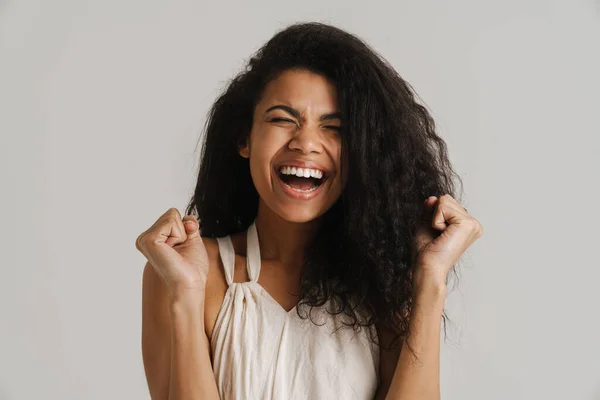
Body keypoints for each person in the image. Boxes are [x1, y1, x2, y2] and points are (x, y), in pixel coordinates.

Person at [136, 22, 483, 400]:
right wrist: (185, 295)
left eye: (334, 128)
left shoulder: (381, 285)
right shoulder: (186, 272)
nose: (306, 143)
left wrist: (430, 281)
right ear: (244, 139)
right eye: (283, 119)